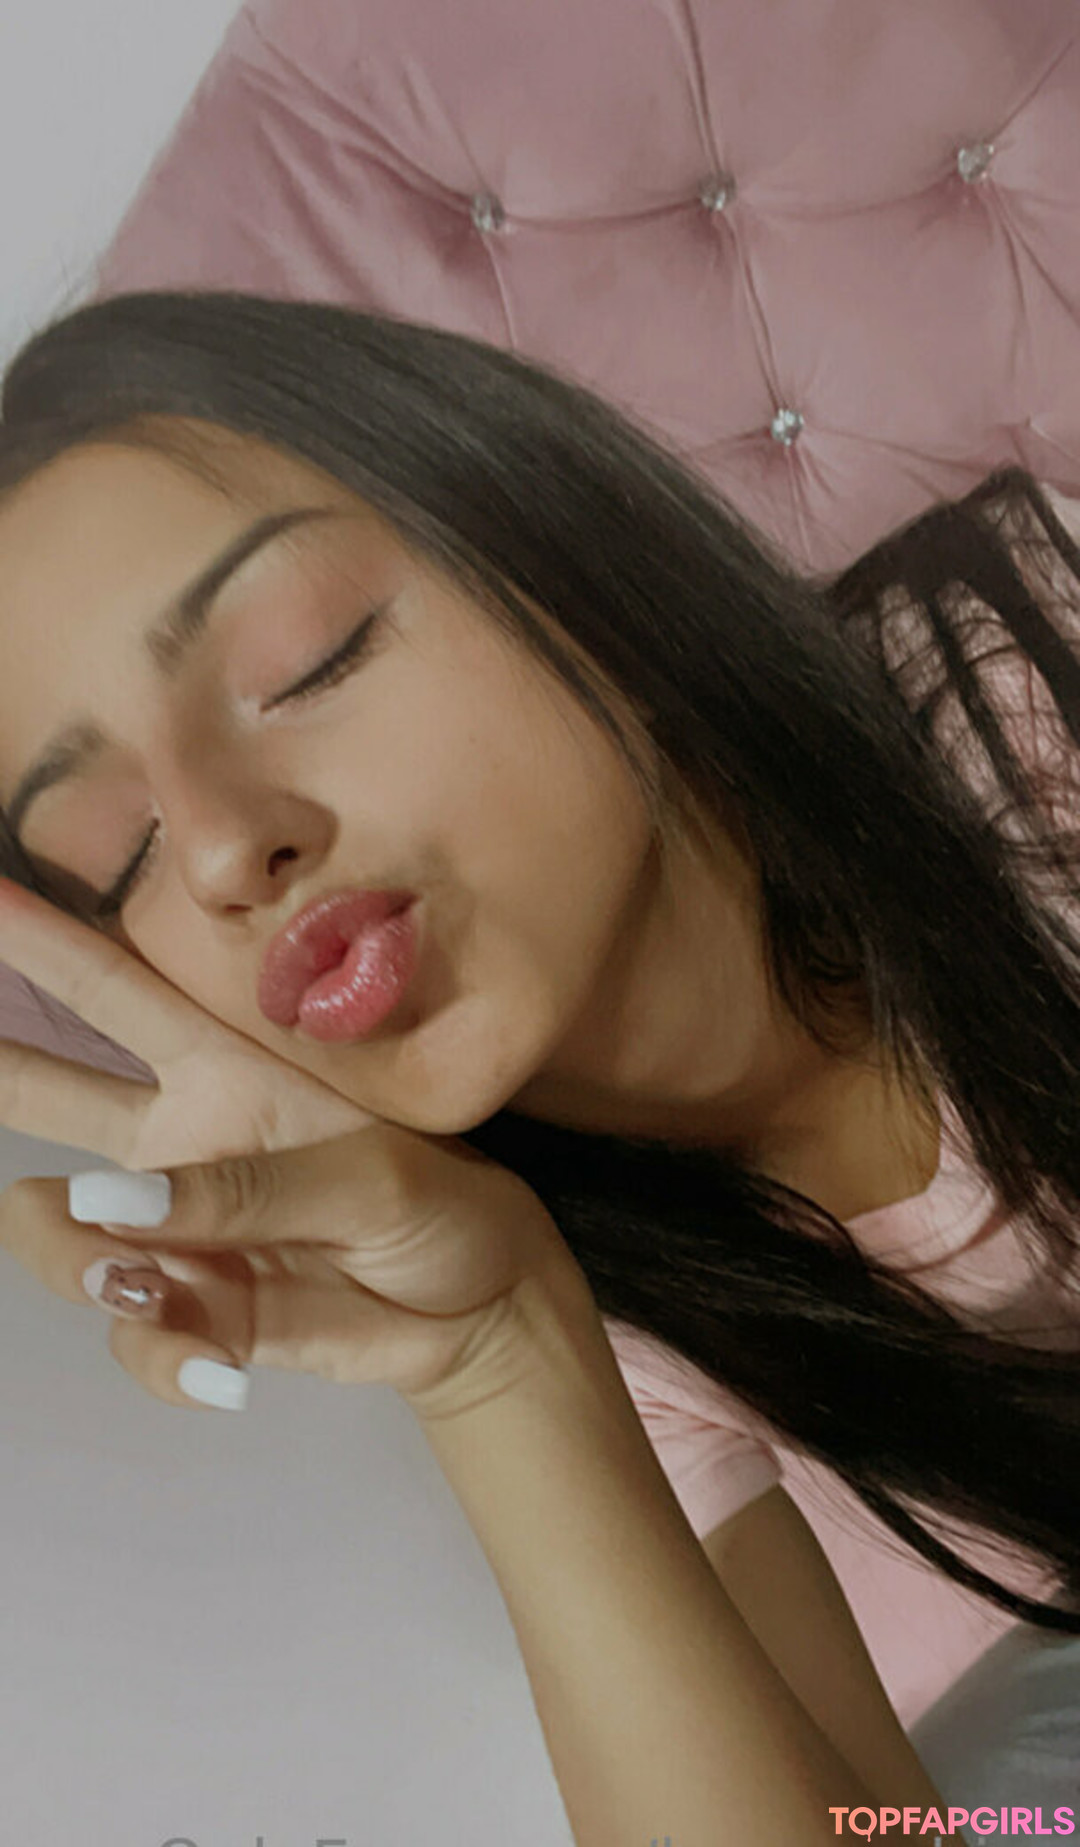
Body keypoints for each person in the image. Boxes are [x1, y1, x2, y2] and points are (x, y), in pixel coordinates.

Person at [0, 290, 1077, 1846]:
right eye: (122, 855)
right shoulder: (597, 1316)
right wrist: (496, 1359)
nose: (227, 850)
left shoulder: (1025, 683)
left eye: (306, 660)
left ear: (555, 548)